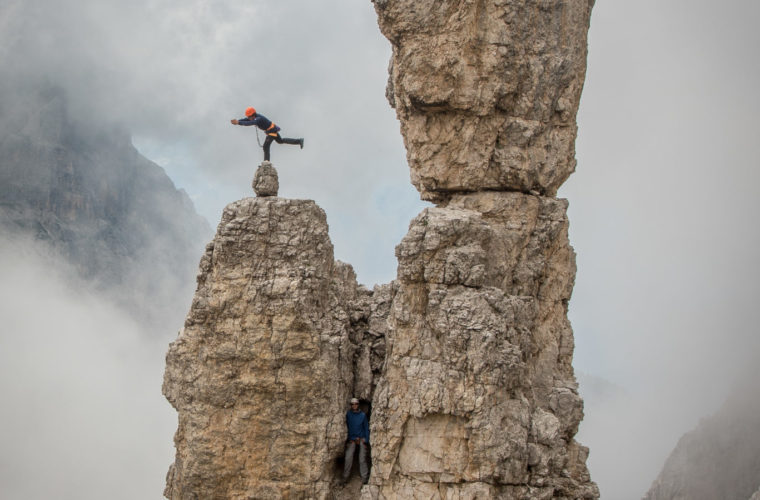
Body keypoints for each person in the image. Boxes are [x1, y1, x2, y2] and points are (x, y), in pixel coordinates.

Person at [230, 107, 304, 161]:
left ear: (253, 115)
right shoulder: (254, 117)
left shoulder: (258, 119)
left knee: (265, 146)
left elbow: (251, 123)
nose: (248, 118)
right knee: (280, 141)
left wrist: (239, 123)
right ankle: (299, 141)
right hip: (272, 130)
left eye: (249, 117)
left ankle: (266, 163)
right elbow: (246, 120)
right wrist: (237, 121)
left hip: (272, 131)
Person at [342, 397, 370, 484]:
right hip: (352, 439)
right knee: (348, 458)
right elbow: (347, 428)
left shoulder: (362, 415)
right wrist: (353, 439)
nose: (354, 405)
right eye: (352, 404)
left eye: (356, 404)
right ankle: (345, 477)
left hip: (361, 438)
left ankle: (364, 478)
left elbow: (366, 428)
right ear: (351, 405)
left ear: (358, 405)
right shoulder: (348, 415)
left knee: (362, 459)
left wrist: (366, 441)